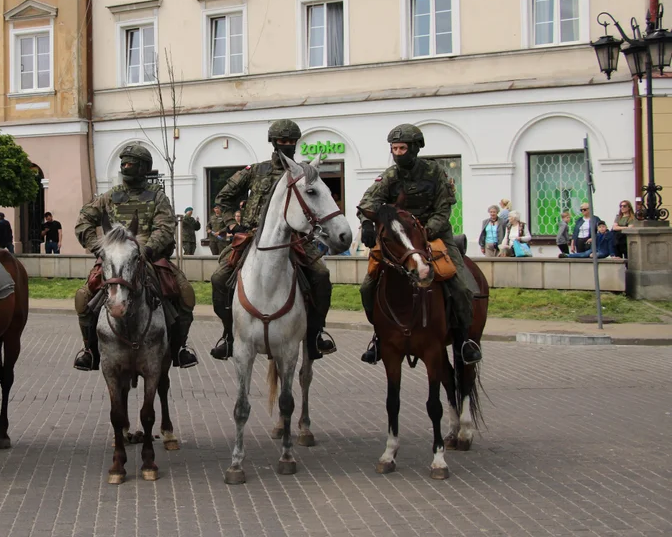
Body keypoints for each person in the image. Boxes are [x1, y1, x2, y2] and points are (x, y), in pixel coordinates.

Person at [209, 118, 337, 363]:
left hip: (296, 239)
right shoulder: (256, 170)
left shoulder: (303, 172)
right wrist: (233, 225)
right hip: (252, 237)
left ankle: (315, 333)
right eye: (282, 141)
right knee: (219, 278)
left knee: (320, 276)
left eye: (291, 141)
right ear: (273, 142)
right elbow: (223, 198)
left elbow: (317, 202)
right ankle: (229, 334)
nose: (287, 145)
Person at [357, 124, 480, 365]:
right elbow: (368, 202)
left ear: (415, 148)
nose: (398, 152)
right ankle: (379, 336)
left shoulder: (435, 172)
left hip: (435, 236)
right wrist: (367, 222)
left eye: (403, 148)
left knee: (462, 286)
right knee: (367, 286)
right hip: (401, 240)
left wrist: (424, 232)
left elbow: (443, 209)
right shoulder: (390, 176)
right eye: (394, 148)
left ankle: (464, 340)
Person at [73, 143, 198, 371]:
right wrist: (99, 248)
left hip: (152, 258)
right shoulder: (109, 196)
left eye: (130, 162)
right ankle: (89, 350)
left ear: (143, 167)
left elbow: (165, 227)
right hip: (114, 260)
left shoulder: (158, 197)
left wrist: (146, 250)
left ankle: (180, 347)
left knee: (186, 294)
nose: (125, 166)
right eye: (123, 162)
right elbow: (84, 221)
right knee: (82, 298)